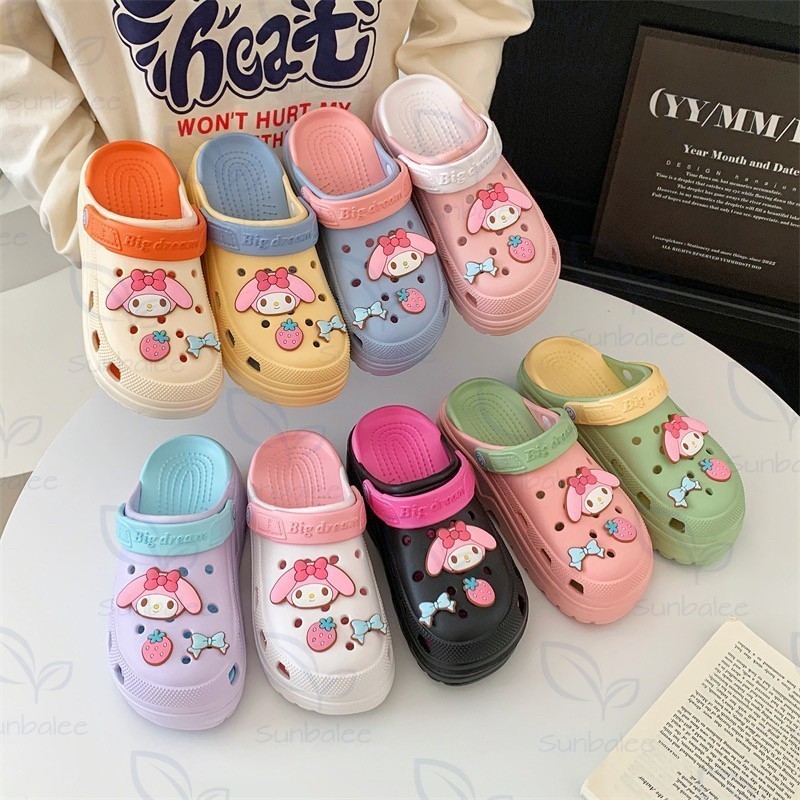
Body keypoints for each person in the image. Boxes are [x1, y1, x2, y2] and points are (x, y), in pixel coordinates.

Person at [0, 0, 533, 267]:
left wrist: (431, 145)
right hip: (154, 227)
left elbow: (478, 9)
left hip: (370, 201)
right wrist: (82, 205)